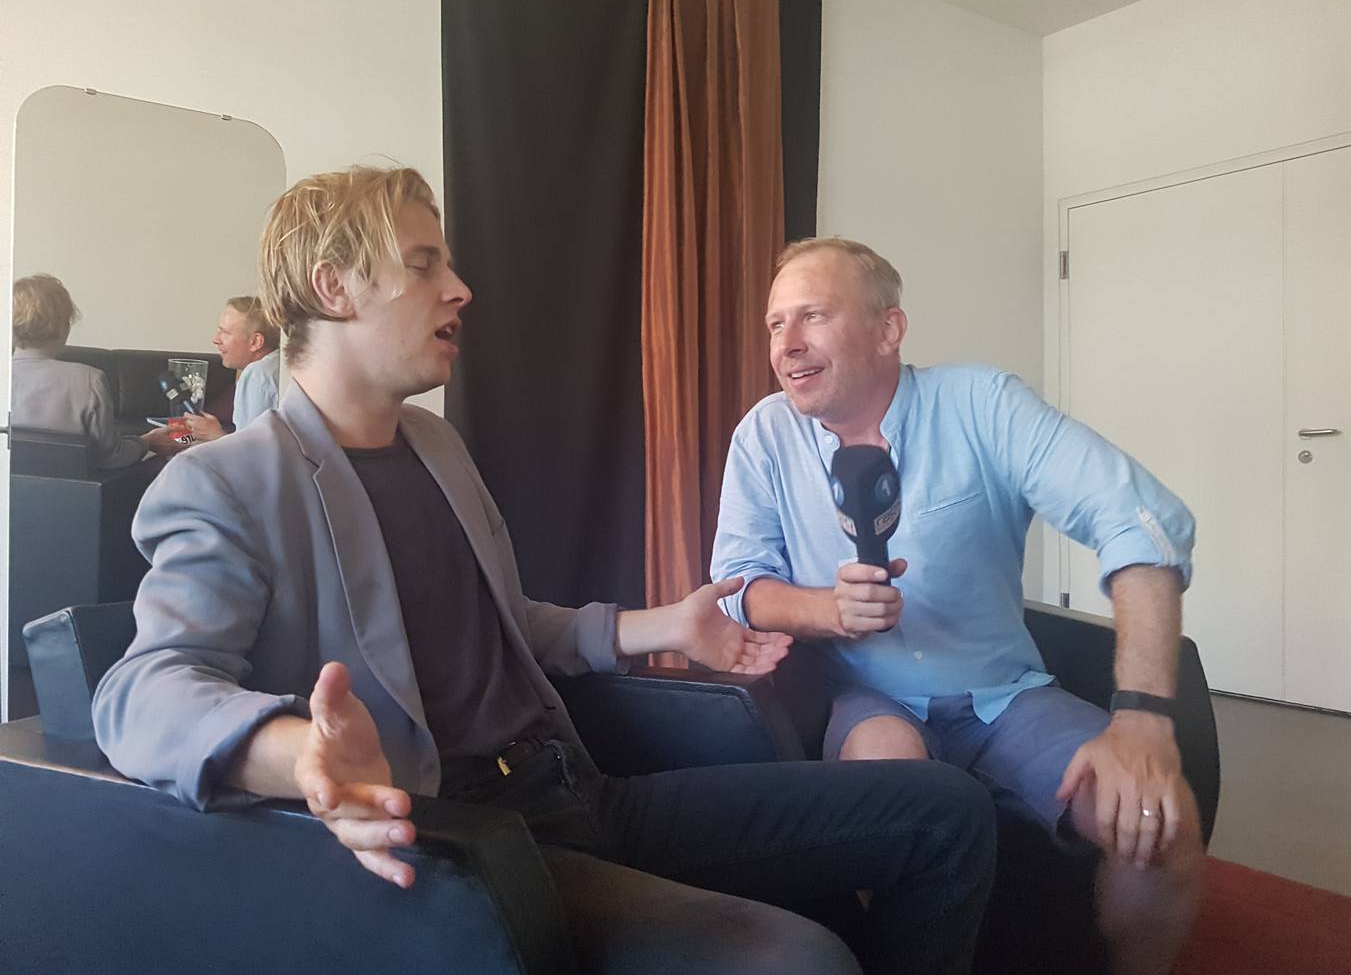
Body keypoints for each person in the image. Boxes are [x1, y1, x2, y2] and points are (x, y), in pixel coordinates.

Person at [91, 169, 996, 975]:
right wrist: (302, 754)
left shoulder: (435, 445)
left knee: (944, 811)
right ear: (334, 288)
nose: (459, 288)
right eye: (423, 264)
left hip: (575, 787)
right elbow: (140, 692)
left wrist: (666, 625)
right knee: (796, 958)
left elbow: (507, 626)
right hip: (470, 845)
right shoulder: (226, 481)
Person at [711, 237, 1207, 975]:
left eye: (813, 315)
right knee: (891, 791)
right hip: (868, 696)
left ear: (888, 328)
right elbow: (739, 584)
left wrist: (1141, 720)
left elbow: (1142, 522)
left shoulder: (981, 403)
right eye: (776, 324)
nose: (787, 344)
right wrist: (828, 610)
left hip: (1005, 693)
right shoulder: (764, 435)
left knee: (1159, 825)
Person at [11, 273, 178, 467]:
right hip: (75, 485)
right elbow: (112, 457)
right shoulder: (88, 379)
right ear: (63, 326)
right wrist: (146, 442)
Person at [185, 295, 281, 440]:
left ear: (255, 342)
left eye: (226, 333)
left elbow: (251, 449)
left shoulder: (258, 374)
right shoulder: (280, 365)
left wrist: (215, 435)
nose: (216, 340)